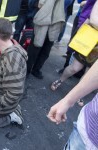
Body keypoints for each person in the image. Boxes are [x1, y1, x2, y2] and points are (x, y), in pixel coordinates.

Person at [48, 2, 98, 149]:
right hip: (92, 40)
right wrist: (68, 101)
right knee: (74, 68)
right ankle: (60, 80)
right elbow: (94, 19)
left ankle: (81, 94)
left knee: (87, 72)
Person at [26, 0, 65, 79]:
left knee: (46, 49)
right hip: (43, 20)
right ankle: (27, 70)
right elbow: (39, 4)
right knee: (35, 47)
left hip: (55, 22)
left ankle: (36, 69)